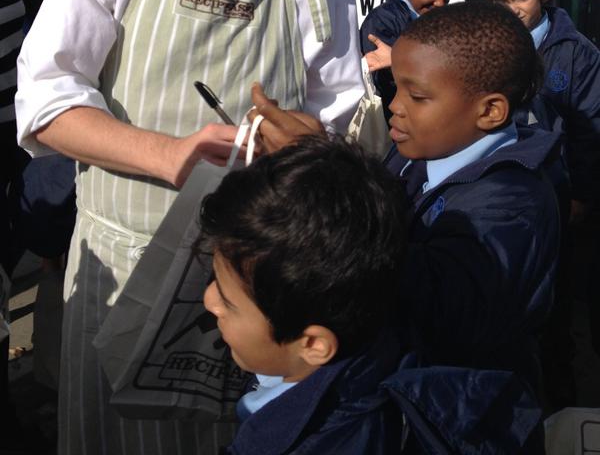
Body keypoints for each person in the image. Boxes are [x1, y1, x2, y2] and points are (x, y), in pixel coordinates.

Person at [15, 0, 364, 455]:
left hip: (251, 294)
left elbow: (346, 128)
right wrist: (169, 153)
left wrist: (317, 149)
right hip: (123, 265)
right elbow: (46, 102)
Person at [250, 2, 560, 453]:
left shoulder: (512, 205)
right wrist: (325, 156)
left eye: (417, 97)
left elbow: (443, 308)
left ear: (490, 111)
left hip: (455, 425)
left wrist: (324, 175)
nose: (394, 106)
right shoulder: (418, 156)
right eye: (395, 88)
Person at [200, 135, 542, 454]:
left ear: (313, 345)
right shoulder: (366, 320)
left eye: (229, 303)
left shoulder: (333, 440)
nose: (209, 301)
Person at [481, 0, 600, 408]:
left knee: (554, 306)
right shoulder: (488, 44)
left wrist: (582, 196)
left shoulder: (577, 54)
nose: (510, 9)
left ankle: (560, 400)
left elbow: (590, 130)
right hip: (501, 192)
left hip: (555, 194)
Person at [359, 0, 467, 120]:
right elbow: (383, 81)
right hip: (393, 122)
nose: (440, 3)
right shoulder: (382, 22)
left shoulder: (443, 22)